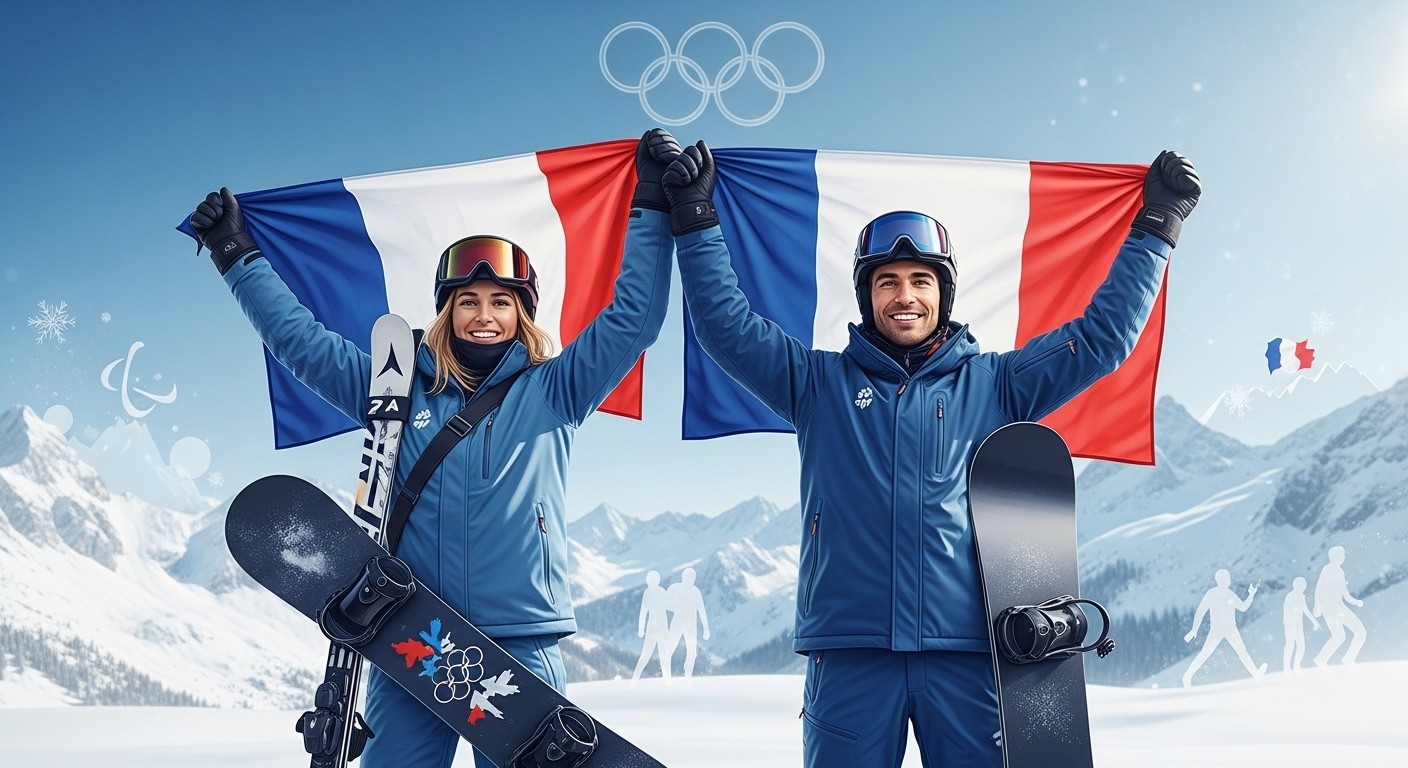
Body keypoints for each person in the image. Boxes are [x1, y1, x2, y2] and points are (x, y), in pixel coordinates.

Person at [662, 141, 1199, 767]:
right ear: (866, 297)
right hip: (851, 655)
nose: (904, 296)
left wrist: (1158, 227)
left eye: (921, 281)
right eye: (886, 282)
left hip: (972, 652)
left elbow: (1101, 338)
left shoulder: (999, 384)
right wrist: (695, 219)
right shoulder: (815, 384)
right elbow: (726, 327)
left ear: (943, 294)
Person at [188, 129, 681, 768]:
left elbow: (634, 319)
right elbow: (300, 343)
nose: (484, 314)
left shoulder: (557, 388)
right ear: (445, 312)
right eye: (467, 301)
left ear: (523, 314)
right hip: (415, 636)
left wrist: (651, 203)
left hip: (520, 645)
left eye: (501, 302)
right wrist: (237, 255)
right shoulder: (393, 390)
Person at [1182, 568, 1266, 687]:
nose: (1227, 581)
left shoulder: (1222, 593)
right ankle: (1187, 676)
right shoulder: (1217, 593)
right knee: (1239, 652)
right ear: (1222, 580)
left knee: (1237, 652)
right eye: (1226, 578)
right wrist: (1194, 629)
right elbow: (1201, 611)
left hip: (1227, 629)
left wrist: (1251, 594)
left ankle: (1256, 674)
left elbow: (1242, 607)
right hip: (1223, 629)